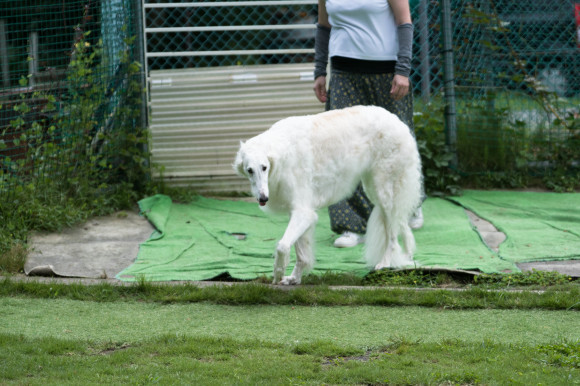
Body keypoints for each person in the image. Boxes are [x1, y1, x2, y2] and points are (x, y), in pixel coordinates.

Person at [313, 0, 424, 248]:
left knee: (396, 144)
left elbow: (404, 22)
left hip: (387, 74)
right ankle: (351, 225)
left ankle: (409, 205)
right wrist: (320, 71)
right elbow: (323, 27)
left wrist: (403, 69)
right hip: (343, 73)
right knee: (341, 147)